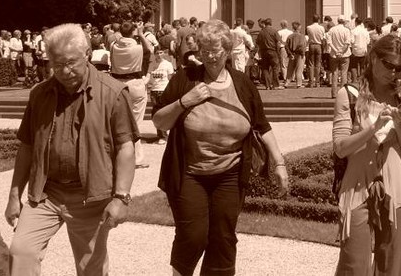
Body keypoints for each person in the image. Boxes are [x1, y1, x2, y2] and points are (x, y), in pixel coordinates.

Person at [153, 19, 289, 276]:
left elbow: (262, 125)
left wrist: (279, 163)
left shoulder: (242, 83)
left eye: (216, 51)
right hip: (189, 172)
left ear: (228, 50)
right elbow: (159, 119)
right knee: (193, 236)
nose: (210, 57)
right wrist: (184, 102)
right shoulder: (185, 79)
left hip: (230, 174)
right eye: (204, 51)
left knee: (223, 238)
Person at [5, 23, 139, 275]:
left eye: (71, 62)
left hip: (89, 196)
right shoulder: (40, 94)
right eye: (57, 64)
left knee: (91, 267)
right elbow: (26, 146)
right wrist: (14, 196)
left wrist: (121, 197)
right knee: (21, 252)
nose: (64, 71)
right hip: (46, 193)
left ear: (87, 53)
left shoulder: (113, 92)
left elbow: (125, 147)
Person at [333, 34, 401, 275]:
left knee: (391, 266)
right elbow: (340, 147)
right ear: (373, 58)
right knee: (354, 265)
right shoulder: (349, 95)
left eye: (399, 67)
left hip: (394, 188)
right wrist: (373, 128)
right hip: (356, 187)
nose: (394, 72)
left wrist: (400, 124)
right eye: (388, 64)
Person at [109, 21, 150, 169]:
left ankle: (118, 156)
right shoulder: (138, 48)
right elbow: (149, 50)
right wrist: (140, 33)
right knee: (136, 123)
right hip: (135, 83)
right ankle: (136, 158)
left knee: (119, 123)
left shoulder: (114, 46)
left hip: (118, 84)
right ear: (133, 32)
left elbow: (116, 39)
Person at [147, 48, 176, 144]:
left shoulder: (168, 64)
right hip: (154, 91)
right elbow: (149, 77)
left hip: (163, 90)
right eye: (157, 53)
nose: (159, 55)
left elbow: (171, 79)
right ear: (154, 54)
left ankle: (164, 136)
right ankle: (161, 134)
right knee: (155, 114)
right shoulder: (152, 65)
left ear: (164, 53)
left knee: (163, 112)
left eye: (160, 52)